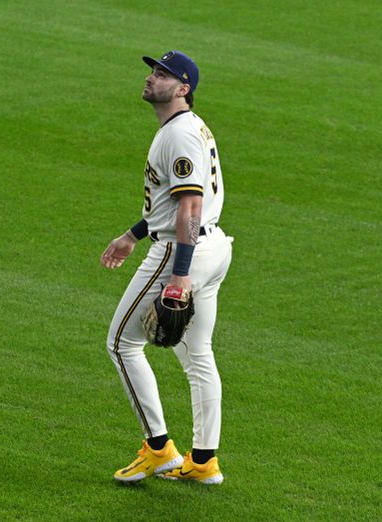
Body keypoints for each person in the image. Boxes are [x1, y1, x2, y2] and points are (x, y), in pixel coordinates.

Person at [100, 50, 233, 485]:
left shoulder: (177, 135)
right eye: (152, 70)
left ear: (183, 88)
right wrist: (133, 235)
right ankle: (204, 461)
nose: (150, 77)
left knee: (122, 343)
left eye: (162, 74)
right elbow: (172, 200)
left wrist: (178, 274)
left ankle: (159, 450)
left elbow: (190, 204)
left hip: (183, 251)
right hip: (213, 248)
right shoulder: (188, 129)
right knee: (198, 354)